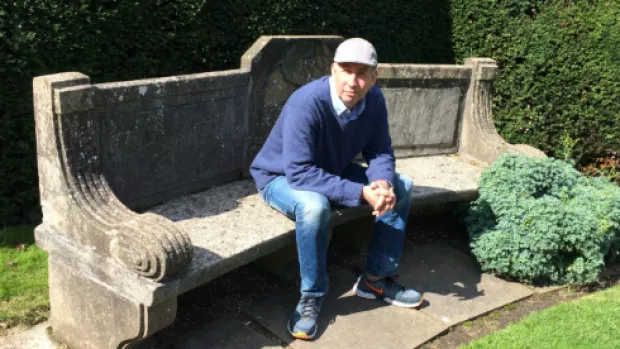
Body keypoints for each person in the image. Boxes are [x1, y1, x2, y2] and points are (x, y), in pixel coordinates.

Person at [250, 38, 423, 340]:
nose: (352, 81)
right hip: (280, 176)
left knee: (401, 185)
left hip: (329, 169)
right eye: (346, 70)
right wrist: (361, 193)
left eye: (361, 73)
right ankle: (312, 296)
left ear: (374, 78)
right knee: (315, 207)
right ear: (333, 70)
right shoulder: (307, 102)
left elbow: (380, 151)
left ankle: (376, 279)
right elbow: (300, 172)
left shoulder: (375, 101)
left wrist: (381, 182)